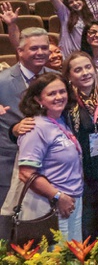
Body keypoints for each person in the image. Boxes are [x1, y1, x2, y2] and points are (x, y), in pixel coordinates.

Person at [16, 73, 84, 242]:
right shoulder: (35, 127)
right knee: (57, 257)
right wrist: (58, 197)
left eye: (62, 91)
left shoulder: (60, 121)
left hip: (72, 201)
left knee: (74, 256)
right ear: (39, 99)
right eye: (52, 94)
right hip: (51, 206)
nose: (59, 97)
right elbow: (25, 173)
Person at [61, 51, 98, 240]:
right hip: (80, 170)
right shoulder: (66, 103)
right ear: (69, 76)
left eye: (88, 67)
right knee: (87, 223)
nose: (85, 73)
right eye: (78, 70)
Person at [0, 28, 52, 239]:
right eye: (34, 48)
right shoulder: (2, 81)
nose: (40, 52)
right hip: (9, 166)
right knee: (8, 232)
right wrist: (13, 130)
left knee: (46, 232)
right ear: (20, 51)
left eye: (44, 47)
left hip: (50, 170)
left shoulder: (56, 78)